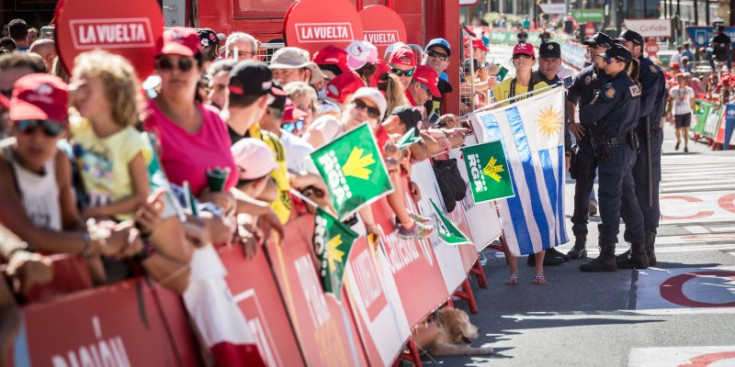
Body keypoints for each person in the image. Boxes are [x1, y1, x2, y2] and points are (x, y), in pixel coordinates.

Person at [143, 28, 237, 206]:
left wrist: (260, 209)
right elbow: (147, 195)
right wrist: (201, 205)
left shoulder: (214, 118)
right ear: (157, 70)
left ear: (200, 68)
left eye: (184, 64)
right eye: (167, 64)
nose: (175, 71)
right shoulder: (145, 121)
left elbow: (226, 190)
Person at [578, 44, 645, 272]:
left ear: (621, 63)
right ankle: (639, 251)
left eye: (608, 60)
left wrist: (590, 101)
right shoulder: (632, 85)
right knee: (628, 199)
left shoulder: (613, 88)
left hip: (612, 149)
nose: (604, 62)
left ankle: (607, 253)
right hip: (625, 147)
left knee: (609, 200)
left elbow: (588, 115)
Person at [489, 42, 551, 284]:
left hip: (535, 159)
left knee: (538, 214)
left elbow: (550, 123)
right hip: (509, 157)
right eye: (518, 56)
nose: (522, 60)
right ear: (513, 61)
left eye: (526, 56)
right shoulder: (503, 88)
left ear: (533, 61)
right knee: (509, 216)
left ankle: (539, 271)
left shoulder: (545, 88)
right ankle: (513, 272)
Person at [68, 50, 149, 221]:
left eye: (86, 90)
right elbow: (53, 122)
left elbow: (140, 196)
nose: (79, 96)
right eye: (76, 88)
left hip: (120, 222)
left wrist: (99, 212)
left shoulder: (131, 141)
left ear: (113, 96)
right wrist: (68, 98)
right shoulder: (79, 127)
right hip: (87, 216)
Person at [615, 29, 666, 268]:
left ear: (637, 47)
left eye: (625, 45)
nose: (622, 50)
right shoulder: (625, 70)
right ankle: (636, 245)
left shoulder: (649, 71)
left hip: (646, 135)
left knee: (646, 188)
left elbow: (644, 108)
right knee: (630, 189)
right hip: (631, 133)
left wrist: (618, 117)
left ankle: (647, 248)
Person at [566, 32, 613, 259]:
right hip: (586, 141)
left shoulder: (617, 75)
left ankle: (608, 246)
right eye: (590, 47)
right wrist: (571, 122)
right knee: (582, 192)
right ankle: (580, 242)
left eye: (597, 46)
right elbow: (570, 98)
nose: (592, 50)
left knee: (610, 194)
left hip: (611, 143)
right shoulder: (583, 75)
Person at [423, 38, 454, 117]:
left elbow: (433, 120)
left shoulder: (441, 85)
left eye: (442, 56)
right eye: (432, 53)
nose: (436, 59)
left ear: (447, 64)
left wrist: (442, 121)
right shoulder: (411, 82)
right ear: (423, 56)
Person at [668, 74, 695, 152]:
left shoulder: (690, 90)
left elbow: (692, 101)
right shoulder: (674, 90)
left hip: (687, 112)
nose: (679, 81)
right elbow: (670, 101)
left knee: (686, 129)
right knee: (677, 130)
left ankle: (686, 146)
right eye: (678, 79)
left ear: (684, 80)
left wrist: (695, 111)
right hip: (678, 112)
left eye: (681, 79)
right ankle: (678, 140)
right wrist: (669, 111)